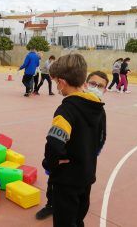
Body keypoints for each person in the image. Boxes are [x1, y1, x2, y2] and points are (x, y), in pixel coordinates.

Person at [42, 53, 106, 227]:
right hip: (86, 174)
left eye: (56, 83)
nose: (57, 87)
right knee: (78, 218)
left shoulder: (66, 110)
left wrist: (50, 163)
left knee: (64, 220)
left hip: (67, 179)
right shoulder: (98, 107)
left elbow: (54, 143)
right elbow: (101, 139)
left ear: (62, 82)